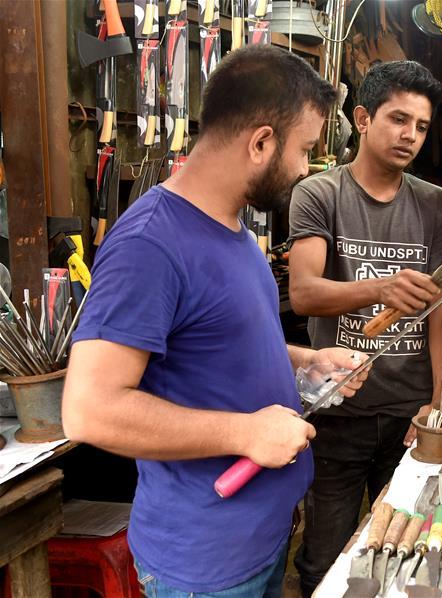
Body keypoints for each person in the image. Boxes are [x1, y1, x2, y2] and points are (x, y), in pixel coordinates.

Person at [61, 45, 367, 597]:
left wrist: (307, 361)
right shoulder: (149, 245)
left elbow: (221, 344)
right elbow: (89, 410)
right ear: (261, 143)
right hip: (205, 566)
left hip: (261, 538)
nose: (305, 169)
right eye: (303, 150)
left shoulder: (233, 230)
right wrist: (246, 433)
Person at [288, 60, 442, 596]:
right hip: (338, 410)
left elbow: (440, 315)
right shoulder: (320, 194)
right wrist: (380, 288)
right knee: (325, 560)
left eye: (422, 126)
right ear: (362, 119)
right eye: (398, 119)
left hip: (410, 414)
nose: (411, 136)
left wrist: (438, 402)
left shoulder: (435, 205)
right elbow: (304, 293)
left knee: (406, 554)